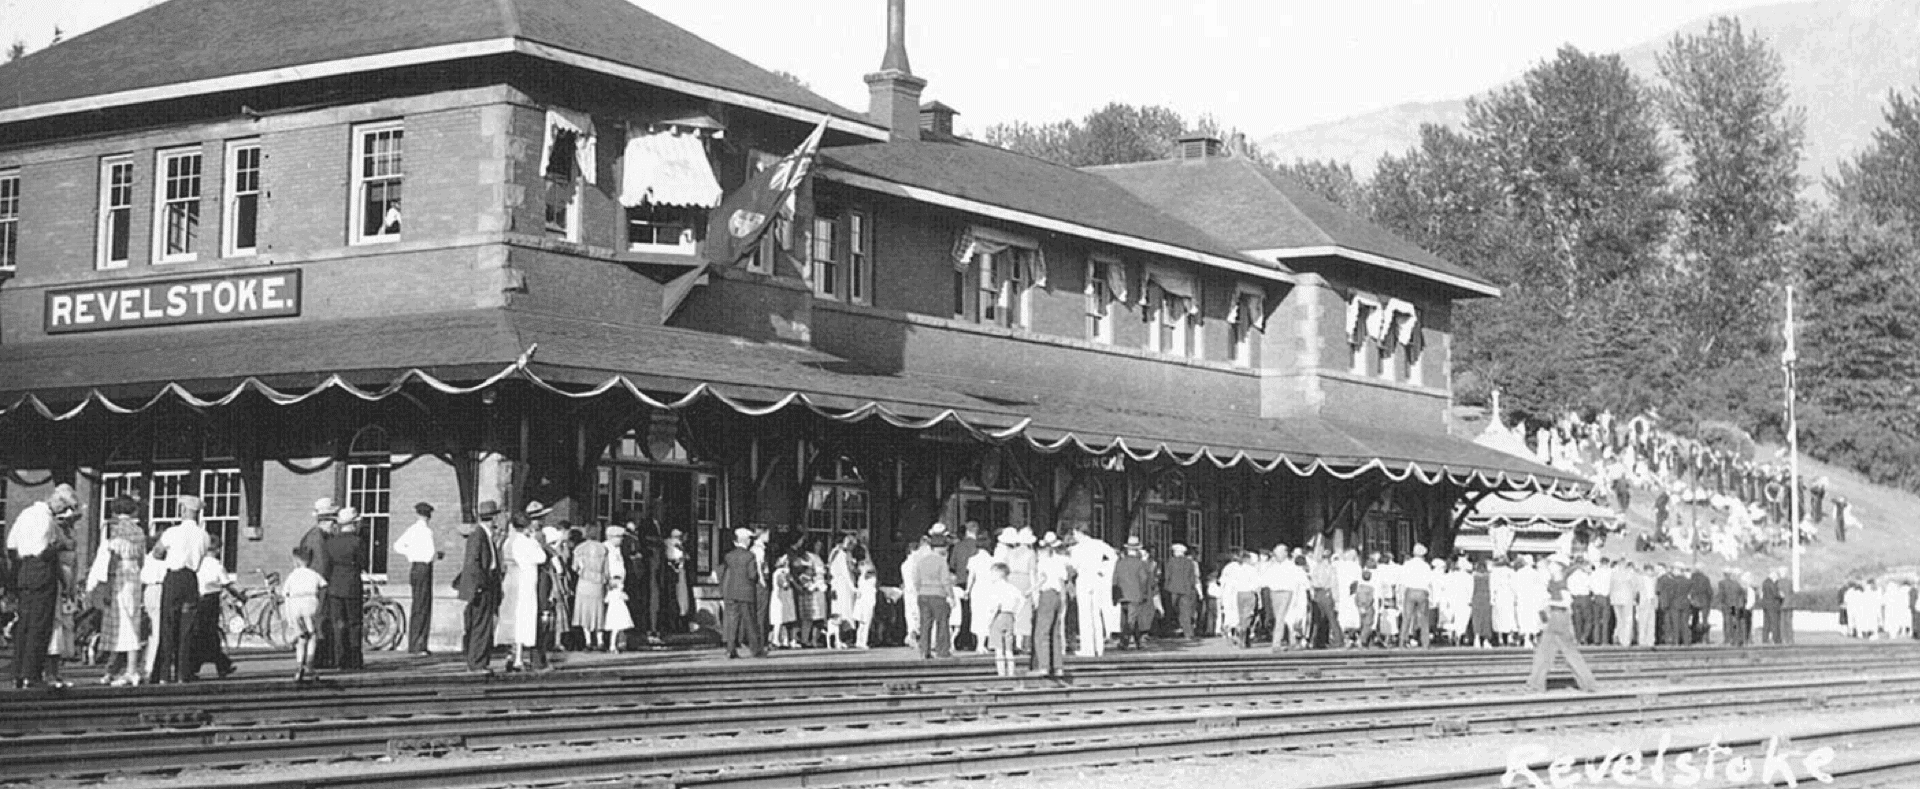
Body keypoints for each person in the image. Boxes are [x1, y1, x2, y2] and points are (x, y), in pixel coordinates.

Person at [8, 485, 80, 689]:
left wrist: (20, 567)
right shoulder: (46, 520)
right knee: (40, 625)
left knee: (24, 624)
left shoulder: (25, 513)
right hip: (42, 571)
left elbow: (11, 545)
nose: (63, 513)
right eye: (64, 507)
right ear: (58, 502)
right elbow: (42, 550)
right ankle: (32, 674)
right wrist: (61, 545)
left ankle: (18, 673)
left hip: (24, 570)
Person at [84, 496, 146, 686]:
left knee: (119, 624)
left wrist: (108, 587)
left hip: (119, 577)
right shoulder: (139, 531)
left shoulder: (115, 531)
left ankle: (128, 670)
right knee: (132, 621)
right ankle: (120, 669)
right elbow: (142, 559)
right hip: (134, 577)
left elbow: (112, 561)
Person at [150, 495, 208, 685]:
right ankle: (183, 674)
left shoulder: (171, 532)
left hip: (173, 579)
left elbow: (157, 553)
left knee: (168, 626)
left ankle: (164, 674)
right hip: (191, 579)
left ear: (183, 510)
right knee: (187, 629)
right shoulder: (203, 535)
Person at [1524, 555, 1599, 693]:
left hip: (1560, 618)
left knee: (1562, 653)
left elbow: (1567, 602)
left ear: (1559, 567)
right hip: (1554, 618)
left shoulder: (1561, 583)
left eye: (1553, 564)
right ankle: (1536, 684)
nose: (1550, 566)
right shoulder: (1552, 581)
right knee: (1548, 653)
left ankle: (1536, 684)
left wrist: (1549, 603)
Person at [452, 501, 503, 672]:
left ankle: (480, 660)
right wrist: (480, 585)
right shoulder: (478, 535)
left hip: (488, 584)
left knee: (484, 625)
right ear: (493, 517)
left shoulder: (486, 535)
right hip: (482, 587)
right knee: (480, 625)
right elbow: (473, 562)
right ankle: (477, 663)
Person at [322, 507, 369, 671]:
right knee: (354, 623)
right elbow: (364, 564)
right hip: (352, 585)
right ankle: (355, 659)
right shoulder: (358, 542)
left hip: (335, 586)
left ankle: (340, 659)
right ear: (354, 524)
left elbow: (327, 566)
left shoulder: (330, 542)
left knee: (338, 624)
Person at [393, 502, 441, 656]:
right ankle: (419, 644)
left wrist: (410, 554)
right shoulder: (426, 531)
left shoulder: (412, 530)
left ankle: (416, 643)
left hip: (415, 567)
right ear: (428, 516)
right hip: (424, 568)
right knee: (423, 605)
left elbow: (398, 546)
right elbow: (430, 553)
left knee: (417, 605)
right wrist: (433, 556)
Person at [295, 498, 338, 669]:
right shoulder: (317, 538)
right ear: (326, 521)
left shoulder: (317, 536)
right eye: (333, 521)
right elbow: (322, 565)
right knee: (319, 621)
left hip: (314, 585)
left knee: (319, 621)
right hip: (317, 586)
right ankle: (318, 658)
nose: (334, 526)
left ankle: (319, 657)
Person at [189, 533, 239, 680]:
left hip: (198, 599)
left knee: (200, 633)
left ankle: (196, 667)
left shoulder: (197, 564)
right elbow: (227, 584)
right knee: (211, 633)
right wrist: (240, 596)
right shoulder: (217, 565)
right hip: (211, 601)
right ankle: (221, 664)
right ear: (217, 550)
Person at [1067, 527, 1117, 657]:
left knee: (1085, 615)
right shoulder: (1099, 544)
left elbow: (1073, 566)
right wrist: (1104, 569)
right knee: (1096, 614)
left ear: (1079, 533)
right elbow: (1114, 556)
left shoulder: (1077, 549)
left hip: (1084, 578)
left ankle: (1087, 648)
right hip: (1097, 579)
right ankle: (1098, 648)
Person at [717, 527, 764, 658]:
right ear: (746, 540)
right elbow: (752, 575)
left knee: (732, 622)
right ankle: (755, 649)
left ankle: (730, 649)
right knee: (750, 622)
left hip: (731, 592)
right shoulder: (750, 556)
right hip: (747, 593)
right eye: (749, 539)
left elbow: (723, 572)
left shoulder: (729, 556)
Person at [1030, 532, 1071, 678]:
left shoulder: (1043, 562)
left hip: (1046, 594)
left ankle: (1044, 666)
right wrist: (1063, 599)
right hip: (1058, 595)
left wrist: (1031, 590)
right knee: (1055, 632)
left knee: (1042, 632)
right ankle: (1058, 666)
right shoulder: (1060, 561)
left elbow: (1042, 579)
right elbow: (1062, 582)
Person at [283, 547, 327, 682]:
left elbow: (285, 593)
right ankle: (309, 663)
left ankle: (299, 665)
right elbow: (324, 585)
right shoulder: (313, 574)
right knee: (312, 635)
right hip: (310, 602)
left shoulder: (292, 575)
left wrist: (288, 616)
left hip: (295, 604)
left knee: (301, 638)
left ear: (296, 561)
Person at [972, 562, 1021, 676]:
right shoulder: (1012, 588)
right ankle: (1011, 672)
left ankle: (1001, 673)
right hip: (1010, 616)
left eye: (992, 573)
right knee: (1009, 649)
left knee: (999, 649)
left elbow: (995, 606)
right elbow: (1021, 599)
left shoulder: (996, 588)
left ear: (998, 574)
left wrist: (988, 621)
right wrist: (1016, 612)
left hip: (998, 617)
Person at [913, 534, 955, 659]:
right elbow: (945, 580)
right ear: (941, 548)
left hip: (923, 594)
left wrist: (920, 590)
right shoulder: (941, 562)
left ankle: (924, 650)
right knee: (942, 623)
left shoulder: (921, 561)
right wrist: (950, 596)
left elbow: (916, 580)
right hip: (938, 594)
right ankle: (942, 650)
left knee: (925, 624)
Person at [572, 524, 610, 650]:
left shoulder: (579, 549)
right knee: (598, 611)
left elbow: (574, 567)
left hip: (584, 581)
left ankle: (588, 641)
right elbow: (607, 570)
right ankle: (599, 641)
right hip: (598, 582)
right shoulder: (603, 549)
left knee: (584, 611)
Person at [1112, 536, 1154, 650]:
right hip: (1136, 595)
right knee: (1131, 619)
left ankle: (1138, 641)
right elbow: (1144, 579)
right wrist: (1145, 594)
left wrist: (1114, 596)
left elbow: (1114, 579)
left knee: (1126, 619)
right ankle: (1124, 641)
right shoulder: (1140, 564)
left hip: (1122, 594)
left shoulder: (1120, 562)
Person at [1162, 543, 1201, 640]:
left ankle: (1170, 630)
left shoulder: (1171, 562)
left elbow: (1167, 576)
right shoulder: (1189, 562)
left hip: (1173, 589)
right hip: (1186, 589)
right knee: (1186, 611)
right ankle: (1188, 633)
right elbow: (1192, 578)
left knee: (1172, 610)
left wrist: (1165, 587)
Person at [1397, 546, 1431, 648]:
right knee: (1423, 618)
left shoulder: (1407, 565)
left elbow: (1402, 581)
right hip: (1422, 591)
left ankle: (1402, 641)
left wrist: (1400, 595)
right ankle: (1425, 642)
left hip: (1410, 591)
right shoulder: (1426, 566)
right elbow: (1429, 581)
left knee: (1407, 617)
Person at [1609, 559, 1639, 647]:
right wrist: (1634, 597)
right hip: (1627, 599)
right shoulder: (1630, 574)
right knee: (1628, 620)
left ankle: (1618, 636)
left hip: (1615, 599)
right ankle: (1625, 641)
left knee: (1619, 620)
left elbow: (1610, 587)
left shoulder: (1614, 574)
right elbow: (1635, 587)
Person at [852, 559, 878, 649]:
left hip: (866, 601)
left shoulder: (866, 578)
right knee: (864, 623)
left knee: (863, 623)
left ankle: (860, 641)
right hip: (865, 601)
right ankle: (862, 641)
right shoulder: (865, 578)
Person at [1686, 563, 1714, 645]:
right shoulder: (1705, 578)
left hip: (1694, 601)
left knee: (1695, 619)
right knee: (1705, 620)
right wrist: (1710, 599)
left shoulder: (1692, 578)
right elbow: (1709, 591)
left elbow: (1689, 589)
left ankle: (1694, 637)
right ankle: (1705, 638)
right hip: (1704, 601)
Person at [1636, 563, 1659, 647]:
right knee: (1643, 622)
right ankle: (1642, 640)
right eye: (1649, 571)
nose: (1651, 572)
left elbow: (1655, 592)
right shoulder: (1641, 579)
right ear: (1646, 571)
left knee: (1651, 623)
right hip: (1644, 603)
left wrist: (1655, 602)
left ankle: (1650, 640)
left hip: (1651, 602)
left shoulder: (1653, 580)